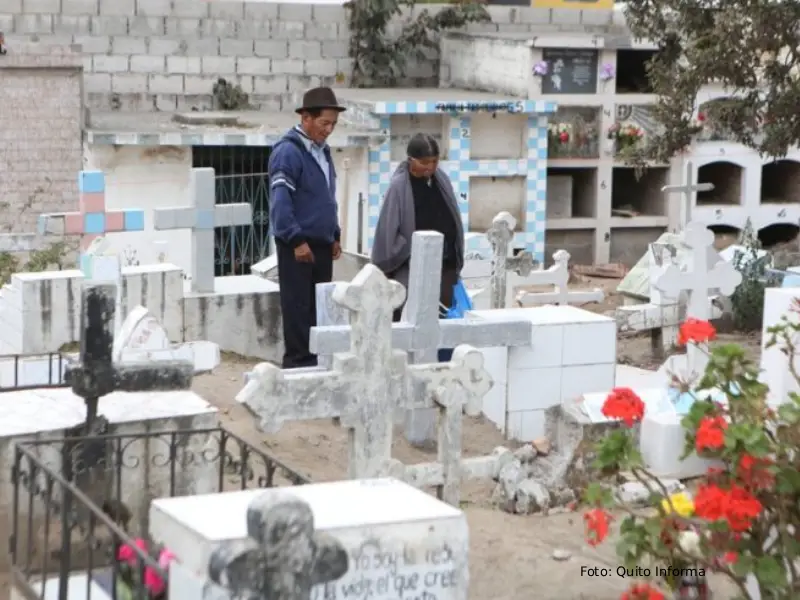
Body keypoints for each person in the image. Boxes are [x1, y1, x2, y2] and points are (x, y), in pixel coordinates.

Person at [268, 87, 344, 368]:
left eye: (333, 124)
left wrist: (334, 234)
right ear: (306, 118)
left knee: (320, 308)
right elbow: (281, 202)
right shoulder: (288, 152)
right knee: (298, 309)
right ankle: (298, 366)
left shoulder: (324, 152)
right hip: (298, 246)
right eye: (324, 123)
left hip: (322, 244)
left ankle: (317, 364)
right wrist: (296, 240)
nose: (329, 130)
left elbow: (326, 196)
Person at [370, 133, 464, 321]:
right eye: (424, 162)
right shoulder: (399, 186)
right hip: (411, 266)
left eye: (434, 161)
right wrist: (405, 247)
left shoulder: (441, 180)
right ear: (411, 160)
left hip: (444, 264)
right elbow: (389, 228)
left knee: (444, 317)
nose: (430, 167)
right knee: (409, 317)